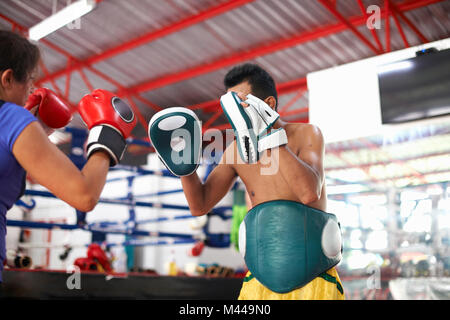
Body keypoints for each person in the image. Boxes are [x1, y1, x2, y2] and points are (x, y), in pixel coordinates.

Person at [149, 63, 344, 300]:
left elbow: (308, 193)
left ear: (269, 105)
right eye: (231, 106)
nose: (237, 112)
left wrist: (266, 136)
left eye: (243, 103)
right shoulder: (235, 153)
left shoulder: (307, 133)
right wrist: (185, 168)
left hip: (313, 280)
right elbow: (199, 205)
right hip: (259, 283)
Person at [0, 30, 136, 282]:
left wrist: (34, 132)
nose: (32, 89)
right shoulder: (10, 116)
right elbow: (84, 196)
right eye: (28, 80)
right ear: (7, 79)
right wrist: (107, 133)